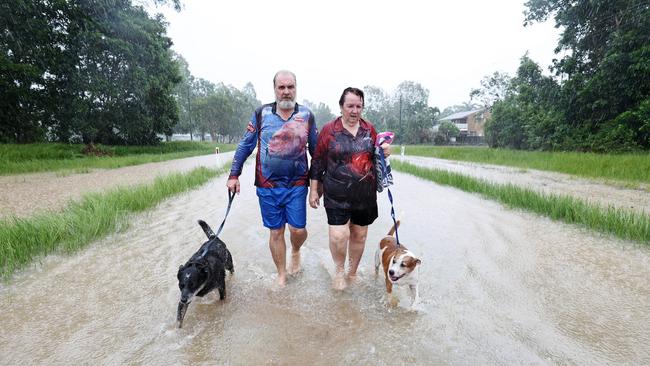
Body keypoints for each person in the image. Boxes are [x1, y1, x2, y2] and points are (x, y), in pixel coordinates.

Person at [227, 70, 318, 286]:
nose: (286, 92)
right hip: (267, 186)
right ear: (275, 89)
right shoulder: (261, 114)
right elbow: (245, 145)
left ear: (296, 88)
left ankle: (295, 249)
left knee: (298, 230)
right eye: (282, 87)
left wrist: (320, 183)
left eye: (290, 87)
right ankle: (281, 276)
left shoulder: (306, 116)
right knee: (276, 231)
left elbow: (317, 152)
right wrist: (234, 175)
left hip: (297, 185)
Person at [308, 87, 390, 290]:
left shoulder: (369, 129)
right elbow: (317, 161)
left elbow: (377, 156)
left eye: (358, 106)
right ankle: (338, 271)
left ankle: (352, 272)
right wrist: (313, 190)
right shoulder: (329, 130)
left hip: (365, 195)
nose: (354, 111)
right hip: (336, 193)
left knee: (359, 235)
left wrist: (385, 152)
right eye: (350, 106)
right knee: (338, 235)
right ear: (341, 106)